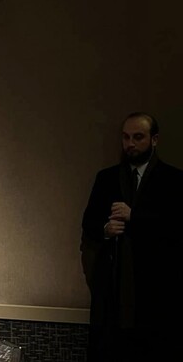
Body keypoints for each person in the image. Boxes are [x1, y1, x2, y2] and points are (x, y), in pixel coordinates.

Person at [80, 112, 183, 362]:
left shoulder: (173, 181)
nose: (130, 144)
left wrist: (134, 217)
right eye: (126, 137)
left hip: (156, 295)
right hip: (112, 294)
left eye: (138, 137)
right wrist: (105, 230)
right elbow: (88, 223)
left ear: (154, 139)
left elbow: (176, 228)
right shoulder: (107, 178)